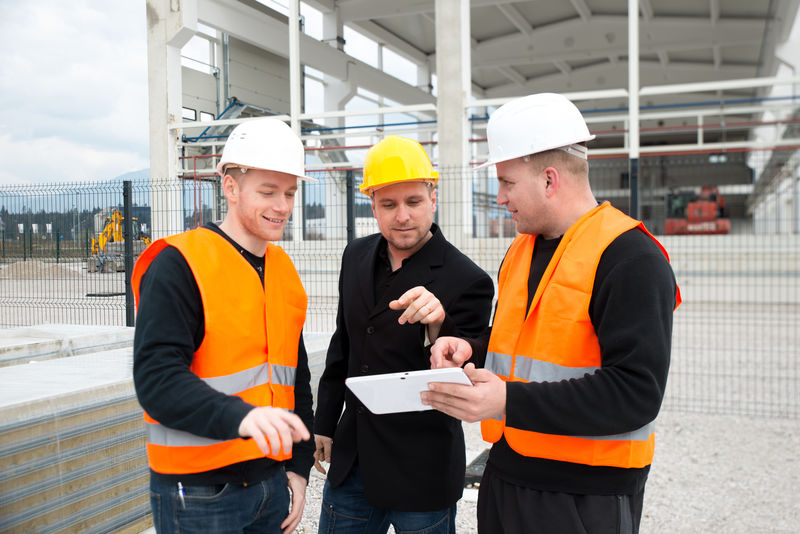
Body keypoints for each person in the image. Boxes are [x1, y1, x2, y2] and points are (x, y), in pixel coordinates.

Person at [421, 93, 681, 534]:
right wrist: (471, 348)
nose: (500, 197)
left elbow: (636, 392)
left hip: (585, 497)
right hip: (508, 474)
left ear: (548, 180)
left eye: (506, 182)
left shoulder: (631, 258)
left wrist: (506, 399)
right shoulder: (522, 249)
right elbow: (523, 345)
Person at [132, 117, 316, 534]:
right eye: (268, 192)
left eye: (290, 193)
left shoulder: (282, 270)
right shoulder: (180, 264)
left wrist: (299, 466)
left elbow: (294, 377)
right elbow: (157, 381)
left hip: (270, 482)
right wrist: (242, 417)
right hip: (199, 492)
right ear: (230, 187)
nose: (283, 206)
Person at [313, 135, 494, 533]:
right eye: (388, 205)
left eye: (413, 202)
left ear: (433, 197)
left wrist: (438, 325)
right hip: (354, 459)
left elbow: (472, 362)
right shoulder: (356, 256)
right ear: (372, 204)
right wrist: (324, 422)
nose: (402, 216)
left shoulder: (467, 280)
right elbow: (343, 344)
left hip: (421, 470)